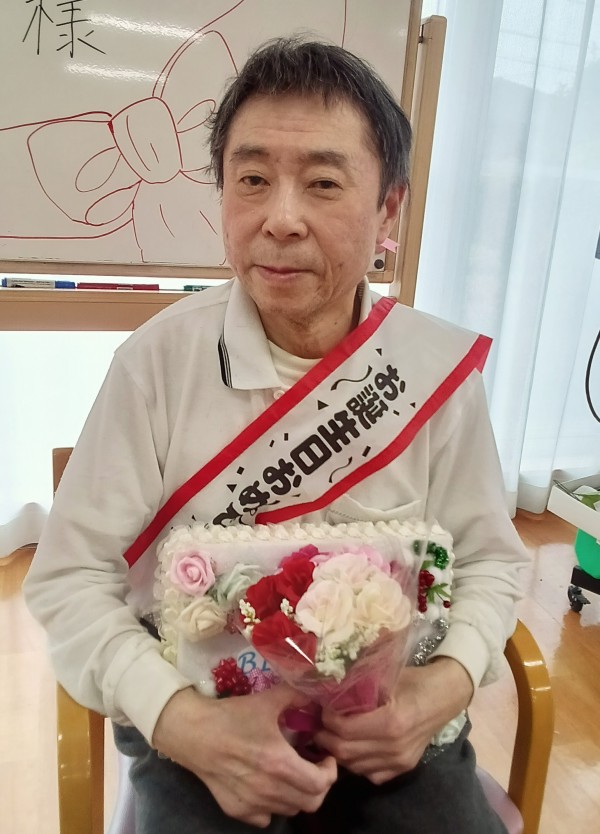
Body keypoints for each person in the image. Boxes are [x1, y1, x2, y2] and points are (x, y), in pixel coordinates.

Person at [24, 38, 527, 833]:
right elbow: (69, 578)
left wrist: (444, 687)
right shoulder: (156, 364)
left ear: (388, 209)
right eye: (252, 180)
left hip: (392, 725)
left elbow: (493, 560)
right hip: (204, 721)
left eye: (323, 183)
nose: (281, 219)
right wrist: (182, 722)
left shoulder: (432, 373)